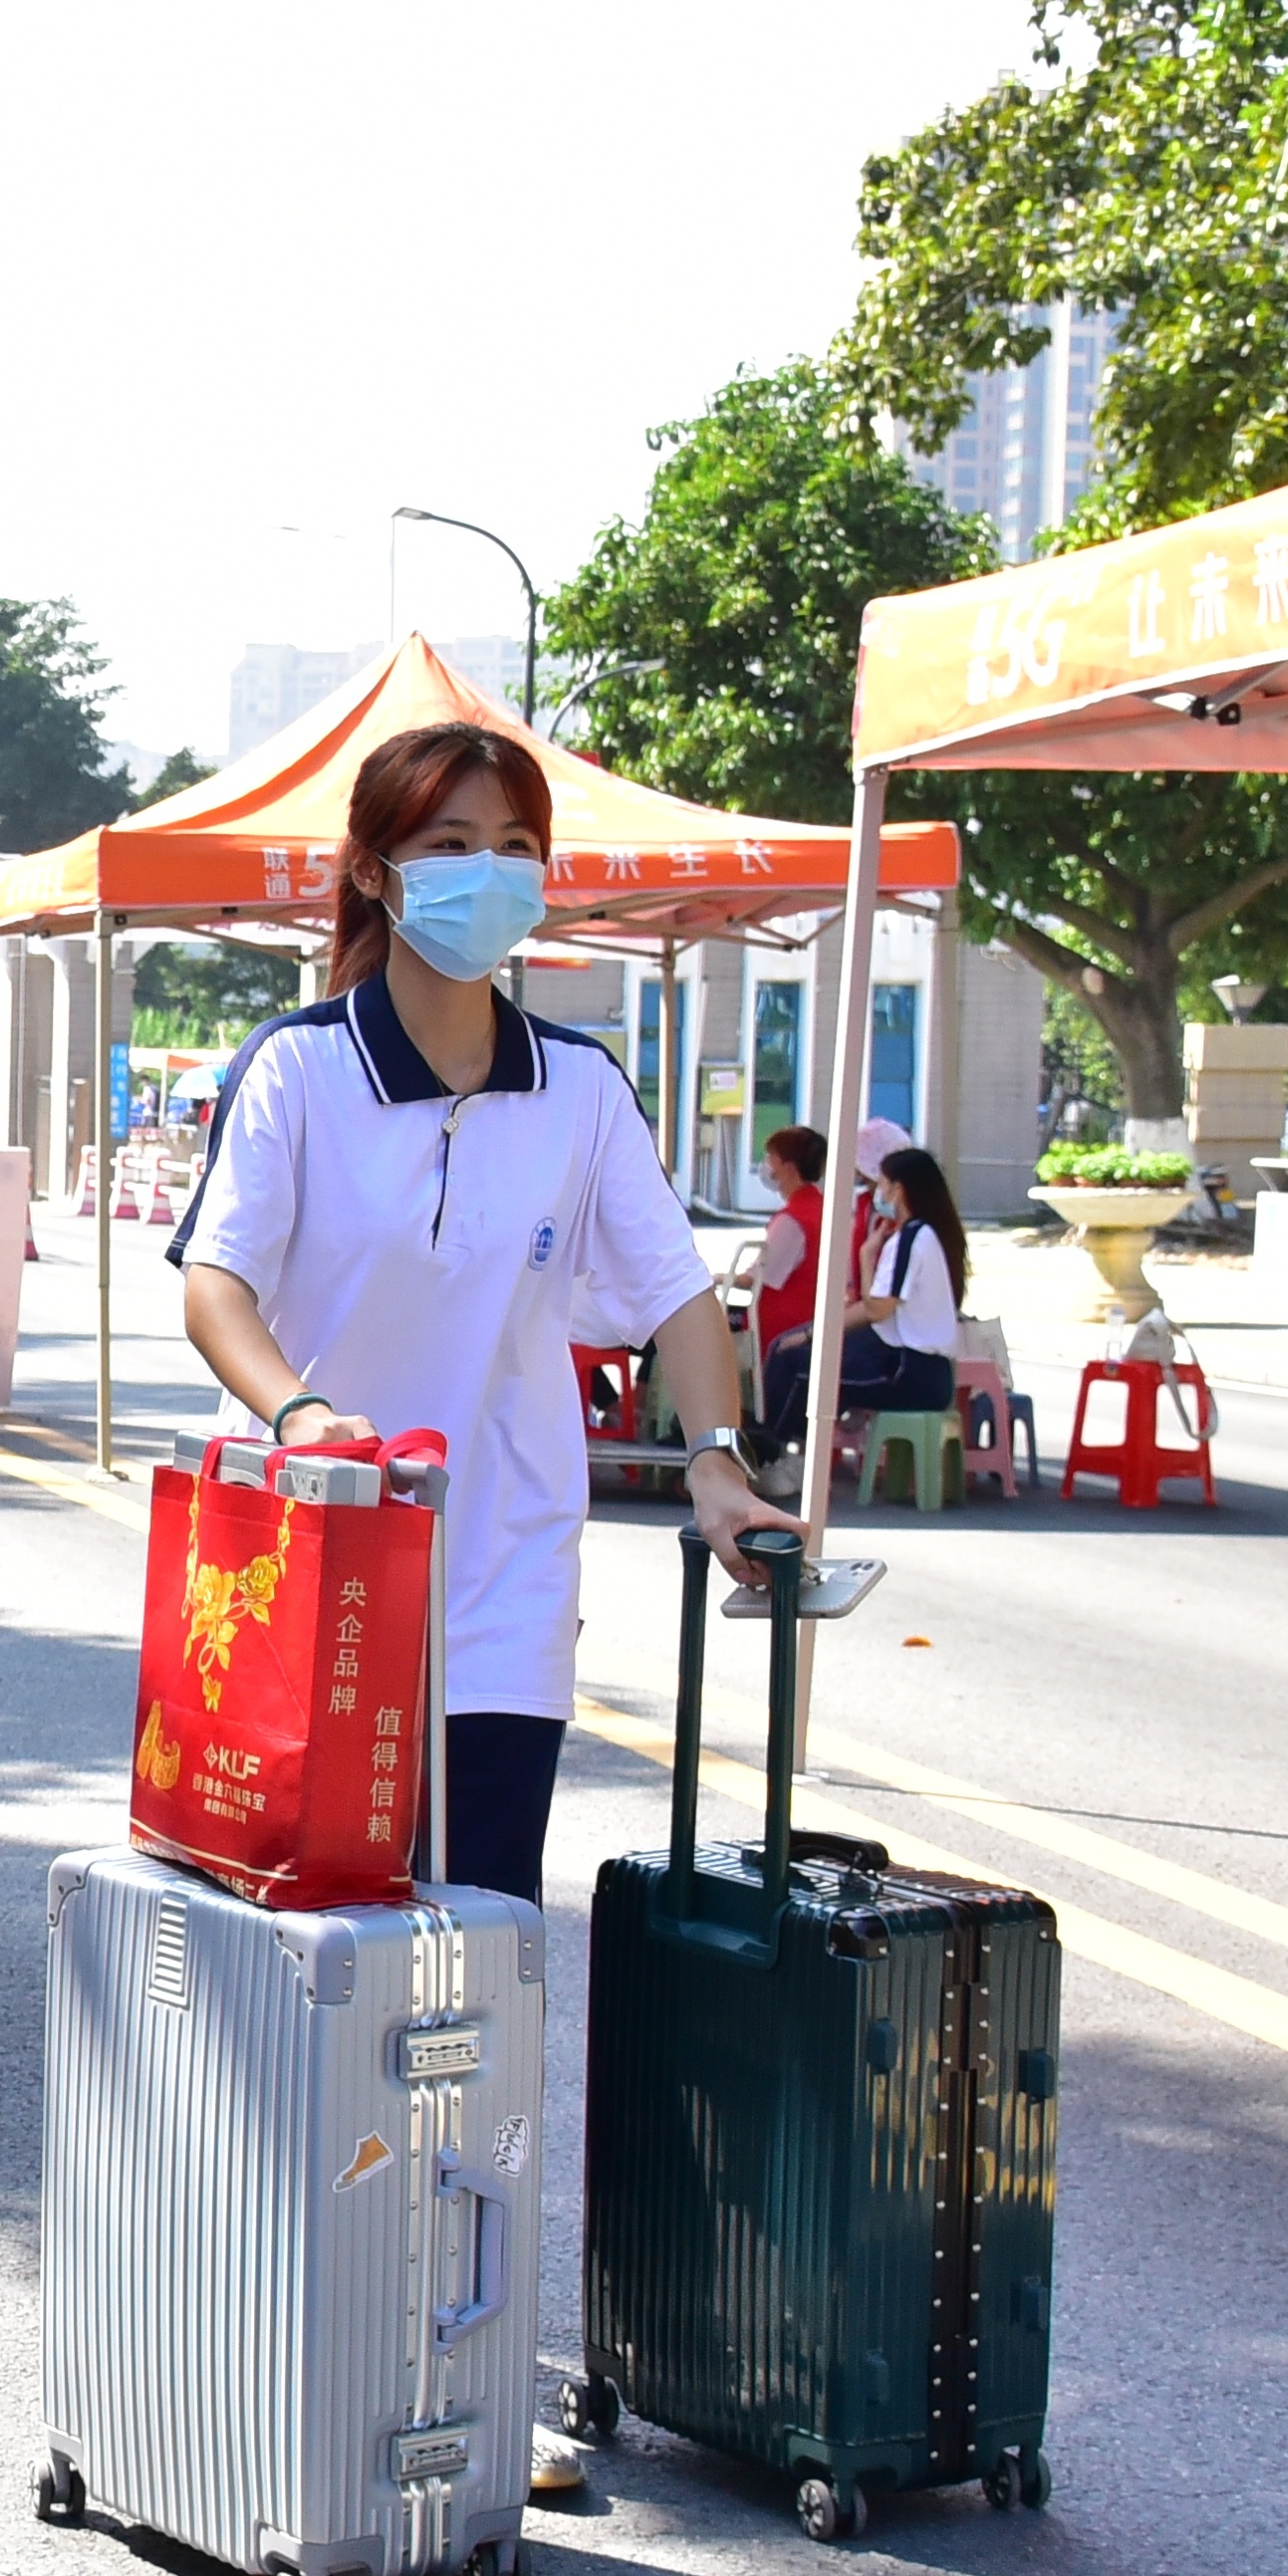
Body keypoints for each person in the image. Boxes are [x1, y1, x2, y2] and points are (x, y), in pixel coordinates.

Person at [170, 718, 777, 1923]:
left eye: (513, 844)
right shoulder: (295, 1070)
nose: (488, 870)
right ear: (372, 870)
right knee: (307, 1938)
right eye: (450, 841)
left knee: (480, 1938)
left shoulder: (582, 1087)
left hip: (506, 1576)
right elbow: (215, 1285)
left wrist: (717, 1465)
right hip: (313, 1561)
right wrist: (297, 1409)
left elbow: (680, 1296)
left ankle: (468, 2129)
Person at [759, 1144, 972, 1473]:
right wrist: (814, 1332)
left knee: (796, 1363)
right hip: (911, 1364)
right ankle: (786, 1452)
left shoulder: (911, 1239)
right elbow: (874, 1307)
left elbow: (876, 1310)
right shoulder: (926, 1236)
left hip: (908, 1370)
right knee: (796, 1351)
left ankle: (770, 1455)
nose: (876, 1192)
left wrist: (865, 1260)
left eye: (881, 1184)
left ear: (898, 1190)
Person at [739, 1121, 827, 1376]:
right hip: (809, 1319)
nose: (766, 1165)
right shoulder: (822, 1209)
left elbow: (758, 1277)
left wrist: (716, 1278)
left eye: (771, 1158)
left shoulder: (792, 1220)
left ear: (788, 1168)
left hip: (782, 1328)